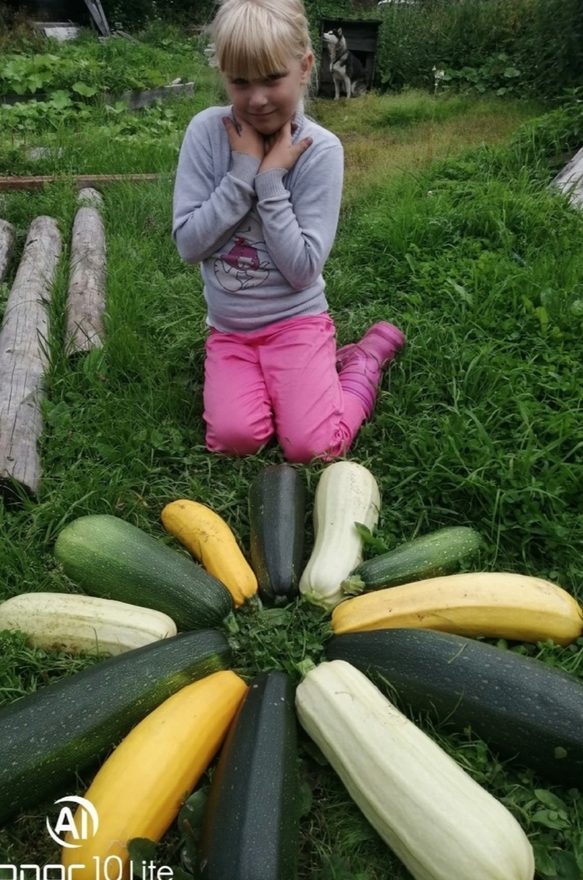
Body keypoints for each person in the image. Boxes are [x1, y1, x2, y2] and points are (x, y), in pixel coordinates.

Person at [172, 0, 405, 464]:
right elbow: (188, 245)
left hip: (297, 322)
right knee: (235, 440)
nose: (256, 99)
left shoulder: (321, 151)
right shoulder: (205, 132)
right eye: (240, 82)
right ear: (224, 76)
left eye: (271, 79)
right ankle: (288, 381)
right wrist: (241, 175)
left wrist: (270, 183)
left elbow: (301, 271)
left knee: (313, 447)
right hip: (231, 331)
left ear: (304, 68)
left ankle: (361, 362)